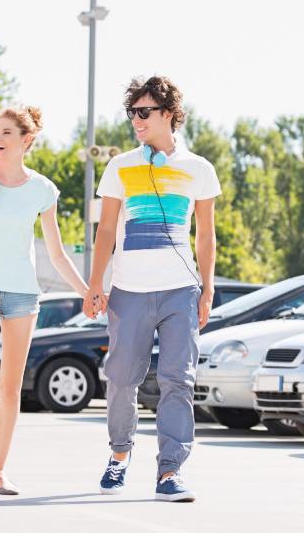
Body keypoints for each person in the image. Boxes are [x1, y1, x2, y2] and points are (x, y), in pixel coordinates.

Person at [86, 76, 220, 502]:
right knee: (122, 379)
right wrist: (96, 283)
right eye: (132, 113)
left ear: (169, 115)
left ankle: (170, 471)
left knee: (178, 379)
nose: (136, 121)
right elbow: (105, 230)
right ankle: (120, 453)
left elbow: (205, 235)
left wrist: (208, 287)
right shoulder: (120, 166)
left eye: (144, 113)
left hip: (181, 291)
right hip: (128, 290)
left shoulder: (198, 168)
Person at [0, 106, 91, 501]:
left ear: (26, 140)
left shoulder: (43, 190)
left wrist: (86, 292)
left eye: (7, 132)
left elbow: (58, 254)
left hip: (21, 293)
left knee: (12, 386)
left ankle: (0, 470)